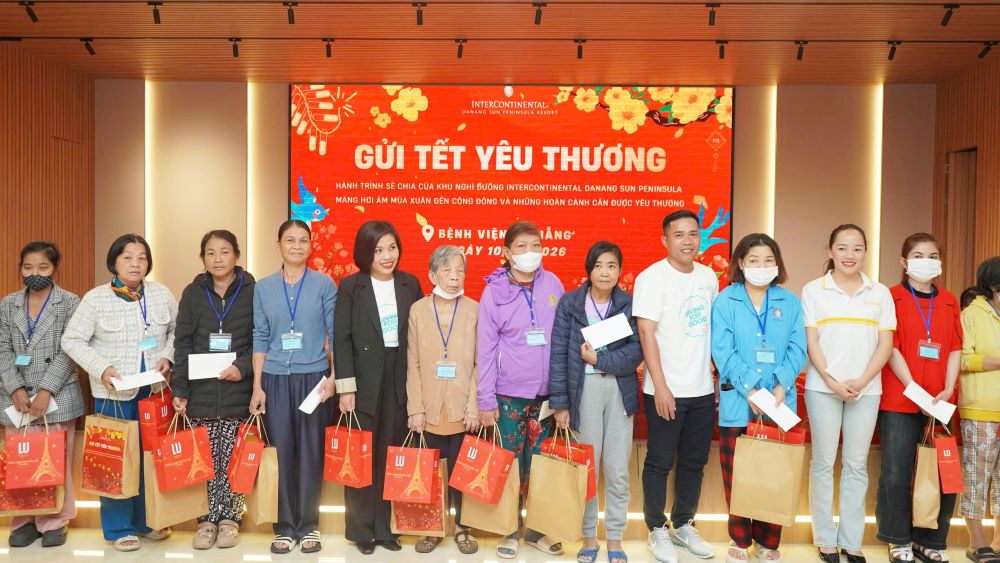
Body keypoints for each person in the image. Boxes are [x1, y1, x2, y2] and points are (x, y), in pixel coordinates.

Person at [62, 234, 176, 552]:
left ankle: (145, 521)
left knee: (148, 460)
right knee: (113, 461)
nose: (135, 263)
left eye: (141, 257)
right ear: (114, 262)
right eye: (127, 257)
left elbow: (181, 331)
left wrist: (168, 355)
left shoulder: (161, 294)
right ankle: (118, 528)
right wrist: (102, 369)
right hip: (113, 394)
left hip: (152, 391)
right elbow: (71, 340)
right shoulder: (96, 298)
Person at [711, 233, 807, 563]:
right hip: (739, 403)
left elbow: (798, 349)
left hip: (780, 403)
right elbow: (722, 351)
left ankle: (768, 541)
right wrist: (750, 389)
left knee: (774, 474)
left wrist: (780, 385)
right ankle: (739, 539)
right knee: (738, 474)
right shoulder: (726, 301)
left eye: (768, 261)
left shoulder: (790, 302)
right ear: (740, 263)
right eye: (753, 261)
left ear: (777, 265)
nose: (761, 266)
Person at [802, 224, 895, 563]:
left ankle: (851, 540)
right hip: (822, 388)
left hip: (867, 390)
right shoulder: (813, 290)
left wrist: (862, 380)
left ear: (865, 252)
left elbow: (886, 345)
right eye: (842, 248)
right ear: (830, 251)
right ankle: (825, 538)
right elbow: (811, 342)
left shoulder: (880, 292)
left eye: (857, 248)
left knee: (857, 465)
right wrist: (832, 381)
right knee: (823, 463)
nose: (849, 255)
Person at [549, 241, 643, 563]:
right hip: (582, 392)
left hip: (619, 390)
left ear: (620, 270)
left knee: (617, 471)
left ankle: (615, 539)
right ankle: (589, 538)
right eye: (599, 265)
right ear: (589, 269)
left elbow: (635, 353)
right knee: (586, 470)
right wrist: (560, 404)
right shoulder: (570, 303)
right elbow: (559, 354)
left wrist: (600, 359)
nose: (605, 272)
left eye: (612, 266)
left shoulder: (628, 304)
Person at [633, 209, 719, 563]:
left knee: (695, 462)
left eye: (693, 234)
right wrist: (662, 387)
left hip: (701, 390)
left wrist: (712, 377)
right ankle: (656, 529)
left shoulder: (709, 276)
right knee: (659, 462)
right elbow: (646, 333)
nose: (688, 241)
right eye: (679, 235)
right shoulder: (652, 278)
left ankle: (684, 524)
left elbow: (710, 330)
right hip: (665, 391)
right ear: (665, 240)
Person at [477, 220, 565, 559]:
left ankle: (537, 530)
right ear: (506, 253)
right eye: (521, 247)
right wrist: (485, 398)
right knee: (508, 464)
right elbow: (484, 350)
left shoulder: (553, 283)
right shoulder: (494, 292)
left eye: (535, 245)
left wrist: (562, 395)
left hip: (545, 396)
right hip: (507, 395)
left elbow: (561, 341)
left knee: (540, 465)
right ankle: (508, 529)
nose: (530, 253)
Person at [334, 220, 423, 556]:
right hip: (363, 378)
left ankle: (387, 529)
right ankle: (361, 531)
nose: (387, 256)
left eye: (392, 247)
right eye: (378, 249)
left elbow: (418, 337)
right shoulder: (350, 286)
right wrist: (346, 388)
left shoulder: (410, 284)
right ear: (365, 253)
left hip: (399, 376)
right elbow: (341, 339)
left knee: (391, 455)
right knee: (362, 458)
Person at [249, 219, 337, 555]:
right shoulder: (264, 287)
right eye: (290, 240)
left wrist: (332, 378)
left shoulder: (324, 284)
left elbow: (335, 334)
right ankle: (284, 527)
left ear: (311, 245)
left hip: (314, 379)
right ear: (279, 245)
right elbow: (259, 336)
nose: (297, 246)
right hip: (274, 379)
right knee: (282, 451)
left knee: (311, 454)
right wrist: (257, 385)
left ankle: (309, 526)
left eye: (303, 240)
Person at [875, 233, 962, 563]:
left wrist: (948, 388)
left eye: (933, 255)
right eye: (919, 255)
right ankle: (897, 538)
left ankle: (932, 540)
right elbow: (891, 348)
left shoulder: (951, 300)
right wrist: (915, 388)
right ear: (904, 262)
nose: (927, 261)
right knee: (897, 472)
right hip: (901, 398)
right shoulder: (891, 296)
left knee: (941, 472)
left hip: (940, 401)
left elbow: (955, 347)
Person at [171, 230, 256, 550]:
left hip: (238, 391)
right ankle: (206, 520)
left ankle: (231, 518)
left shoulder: (252, 291)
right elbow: (182, 343)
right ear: (203, 258)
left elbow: (259, 339)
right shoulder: (193, 293)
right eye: (210, 253)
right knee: (204, 461)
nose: (217, 258)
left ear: (236, 255)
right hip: (202, 392)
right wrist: (180, 389)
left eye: (224, 252)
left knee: (234, 461)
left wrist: (243, 368)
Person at [0, 242, 83, 548]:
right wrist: (16, 389)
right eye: (28, 267)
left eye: (43, 267)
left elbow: (69, 350)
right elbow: (2, 350)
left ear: (54, 269)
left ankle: (55, 520)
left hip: (58, 393)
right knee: (21, 460)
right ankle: (23, 520)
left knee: (55, 458)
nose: (35, 273)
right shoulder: (7, 304)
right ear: (20, 269)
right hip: (15, 398)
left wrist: (46, 390)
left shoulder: (70, 303)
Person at [405, 244, 480, 554]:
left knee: (462, 474)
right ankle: (430, 527)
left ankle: (463, 526)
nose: (454, 276)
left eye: (460, 270)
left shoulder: (476, 308)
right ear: (432, 274)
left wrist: (474, 405)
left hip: (463, 406)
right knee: (430, 472)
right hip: (430, 405)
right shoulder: (418, 310)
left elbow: (481, 362)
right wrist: (415, 409)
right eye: (447, 270)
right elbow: (413, 363)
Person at [958, 256, 1000, 563]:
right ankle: (976, 541)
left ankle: (998, 541)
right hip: (981, 410)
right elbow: (961, 358)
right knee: (977, 477)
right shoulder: (972, 314)